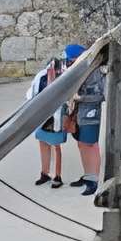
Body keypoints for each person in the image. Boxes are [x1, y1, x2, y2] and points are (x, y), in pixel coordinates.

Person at [64, 44, 107, 194]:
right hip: (79, 113)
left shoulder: (95, 71)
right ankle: (88, 175)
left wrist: (81, 98)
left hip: (91, 114)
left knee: (91, 145)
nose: (69, 62)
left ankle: (94, 180)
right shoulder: (77, 71)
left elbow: (102, 95)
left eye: (71, 59)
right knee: (82, 144)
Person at [27, 50, 70, 188]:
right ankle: (44, 173)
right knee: (43, 143)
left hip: (56, 116)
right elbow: (31, 94)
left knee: (56, 146)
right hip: (41, 115)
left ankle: (57, 176)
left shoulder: (62, 77)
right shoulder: (41, 77)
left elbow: (66, 97)